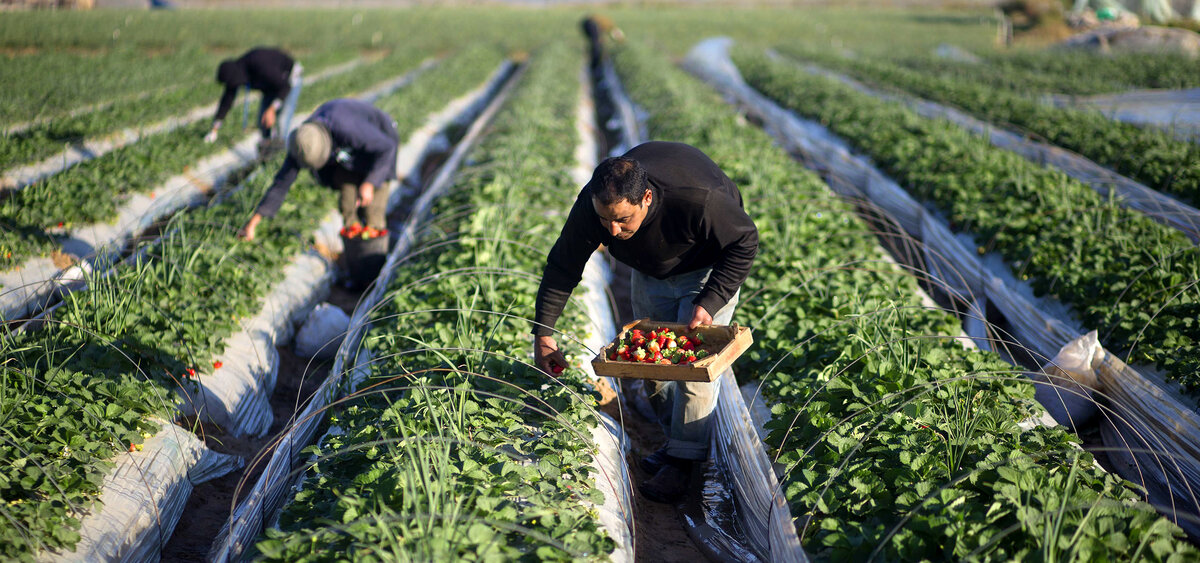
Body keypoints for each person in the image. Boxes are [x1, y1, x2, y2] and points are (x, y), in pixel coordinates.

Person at [532, 141, 758, 503]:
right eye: (606, 220)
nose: (614, 231)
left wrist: (710, 301)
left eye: (623, 219)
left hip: (706, 270)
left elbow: (745, 241)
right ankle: (677, 442)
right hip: (649, 272)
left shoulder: (697, 199)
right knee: (648, 362)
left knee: (693, 366)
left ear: (647, 198)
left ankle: (685, 465)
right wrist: (543, 334)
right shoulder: (595, 207)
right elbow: (563, 265)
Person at [238, 98, 398, 243]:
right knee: (348, 204)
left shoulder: (346, 129)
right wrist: (253, 222)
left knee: (373, 212)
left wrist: (370, 183)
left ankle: (375, 251)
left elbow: (386, 148)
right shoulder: (302, 143)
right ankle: (354, 242)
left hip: (379, 148)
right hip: (350, 155)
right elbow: (281, 184)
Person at [205, 47, 303, 146]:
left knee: (282, 120)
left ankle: (282, 150)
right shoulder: (236, 74)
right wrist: (214, 129)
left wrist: (272, 108)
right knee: (263, 120)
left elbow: (285, 86)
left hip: (289, 78)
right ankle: (267, 149)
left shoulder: (258, 64)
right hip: (271, 85)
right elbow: (226, 102)